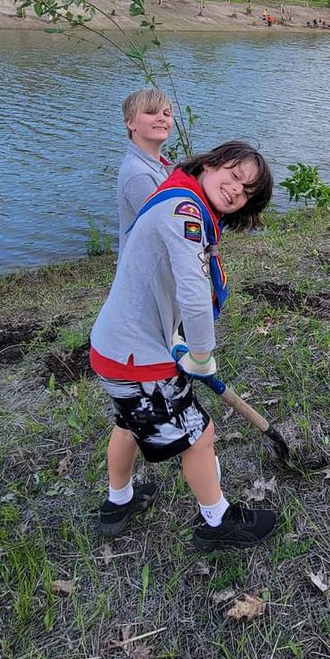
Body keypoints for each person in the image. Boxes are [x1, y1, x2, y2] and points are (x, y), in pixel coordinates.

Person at [90, 141, 279, 549]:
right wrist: (201, 354)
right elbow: (193, 293)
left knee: (128, 422)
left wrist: (176, 339)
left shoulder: (181, 194)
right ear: (209, 164)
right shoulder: (186, 213)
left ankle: (117, 504)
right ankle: (218, 521)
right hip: (137, 356)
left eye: (246, 191)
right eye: (232, 175)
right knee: (199, 433)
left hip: (115, 345)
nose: (235, 190)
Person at [116, 89, 173, 255]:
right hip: (148, 278)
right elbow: (165, 231)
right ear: (130, 123)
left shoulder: (161, 166)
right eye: (150, 112)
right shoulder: (139, 174)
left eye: (167, 113)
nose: (161, 118)